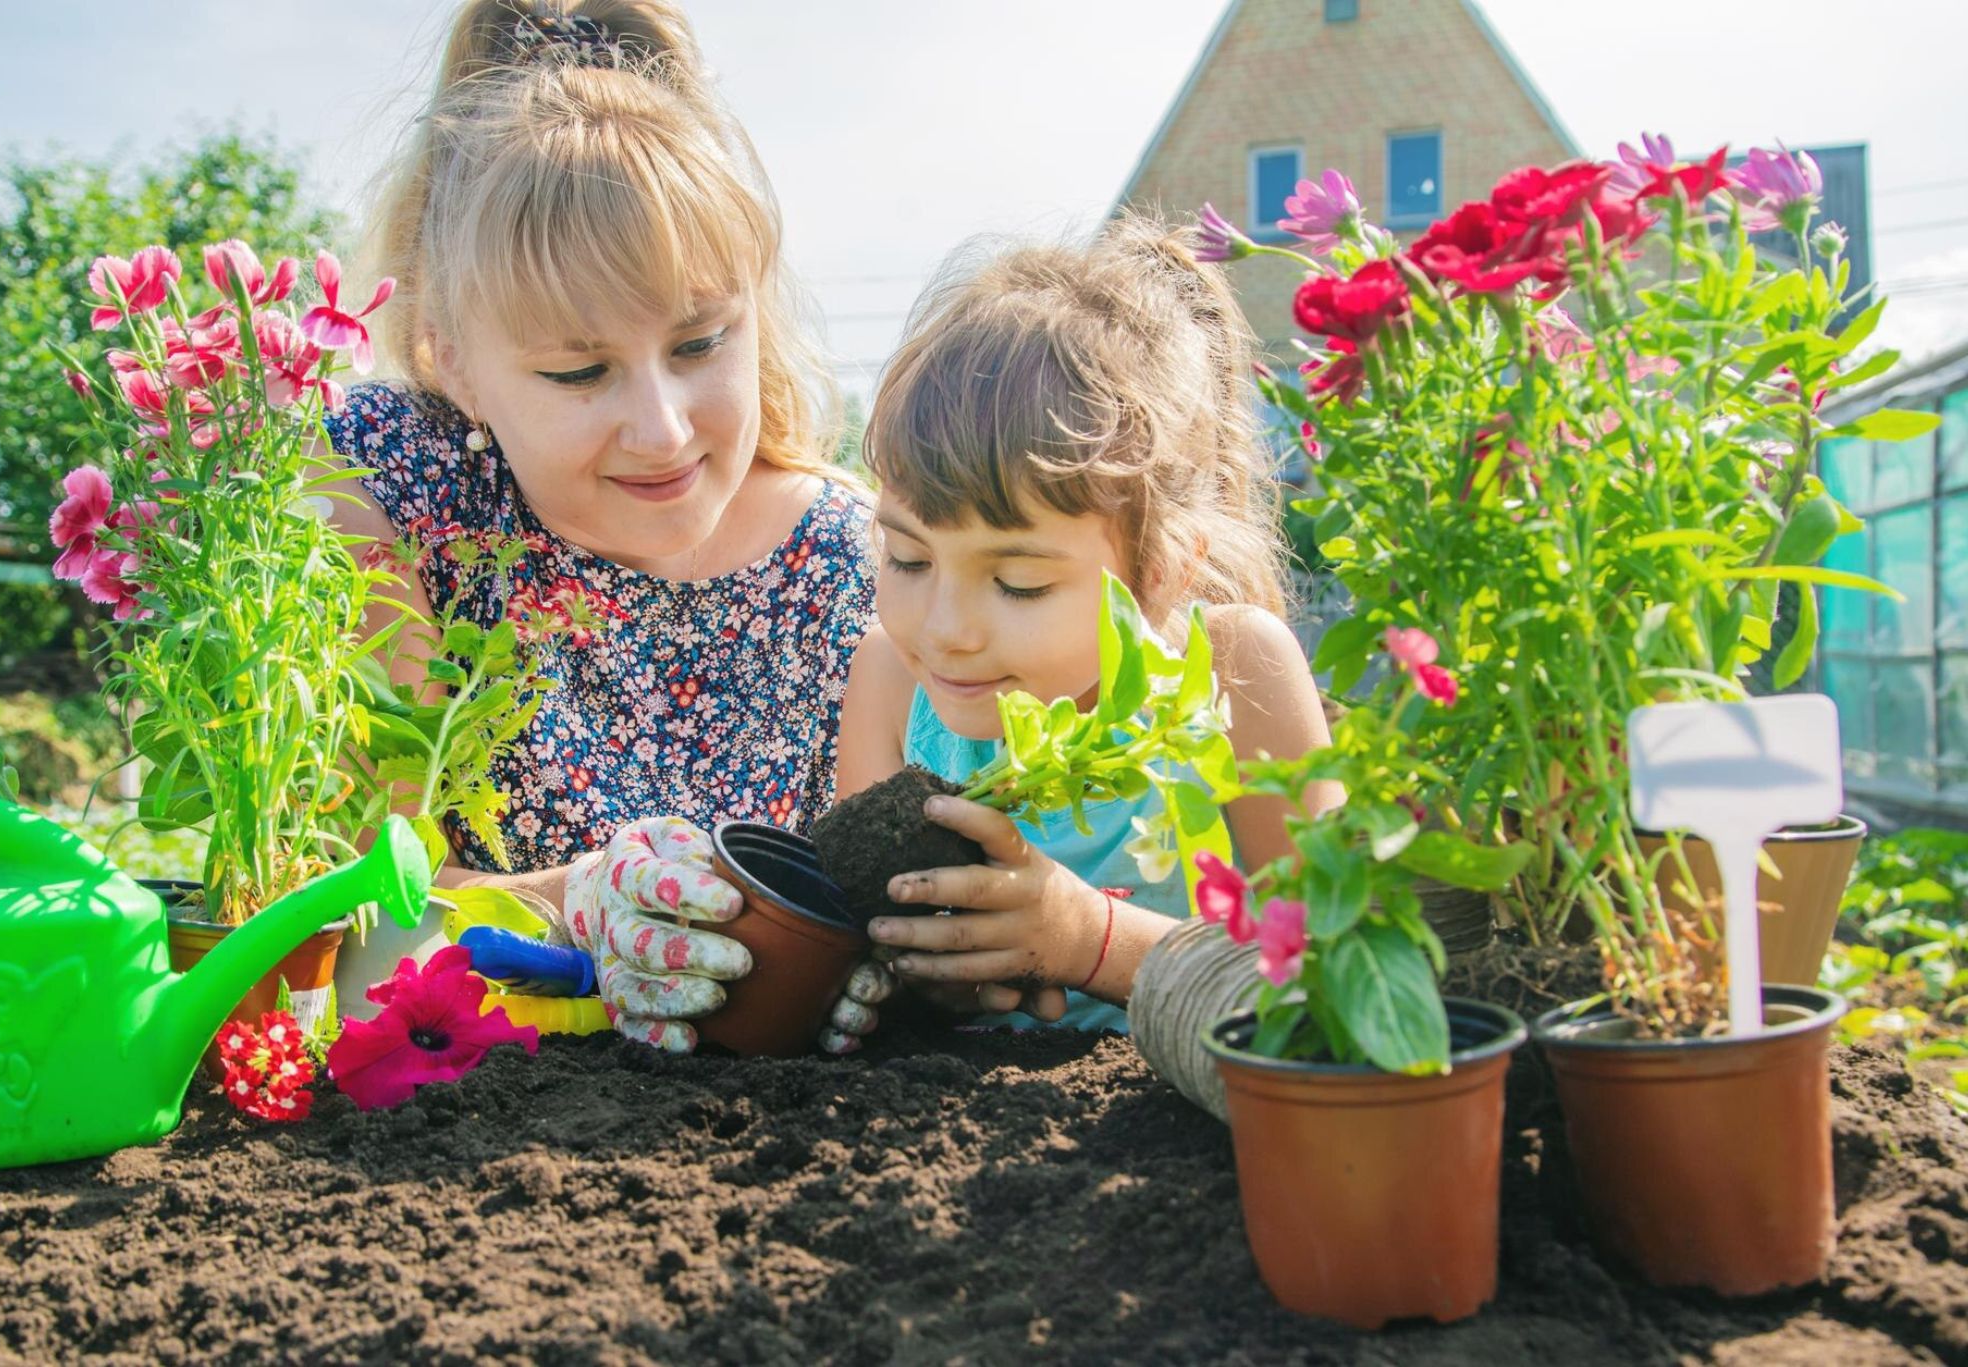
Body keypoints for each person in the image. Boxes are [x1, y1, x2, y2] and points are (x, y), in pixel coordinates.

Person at [322, 0, 887, 1050]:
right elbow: (352, 925)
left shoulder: (869, 567)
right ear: (452, 360)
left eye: (699, 342)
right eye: (579, 371)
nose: (662, 429)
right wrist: (568, 899)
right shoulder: (389, 486)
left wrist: (893, 963)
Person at [834, 217, 1339, 1029]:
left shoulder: (1237, 670)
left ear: (1165, 572)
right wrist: (925, 977)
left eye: (1019, 582)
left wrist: (1089, 942)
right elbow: (872, 943)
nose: (946, 629)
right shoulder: (893, 683)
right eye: (909, 559)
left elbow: (1340, 974)